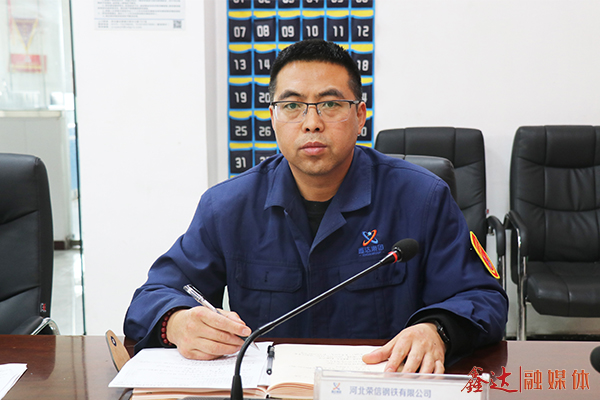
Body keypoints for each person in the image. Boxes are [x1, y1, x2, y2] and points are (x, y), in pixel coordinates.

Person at [124, 39, 508, 374]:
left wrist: (437, 330)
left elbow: (483, 297)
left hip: (380, 386)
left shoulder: (422, 198)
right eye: (292, 105)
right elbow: (153, 295)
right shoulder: (227, 206)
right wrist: (178, 323)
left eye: (330, 104)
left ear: (360, 116)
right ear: (272, 117)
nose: (311, 123)